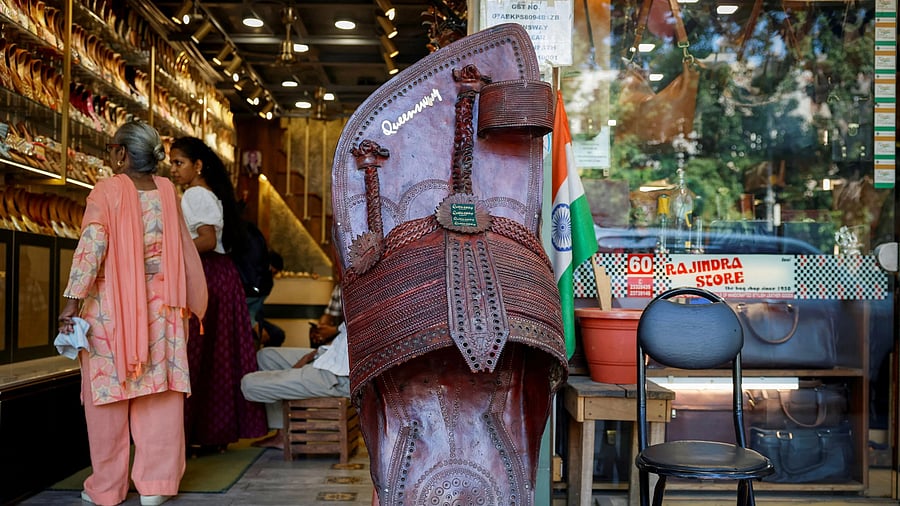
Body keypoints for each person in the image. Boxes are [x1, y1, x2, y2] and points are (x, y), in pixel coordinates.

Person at [57, 120, 208, 506]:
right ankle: (155, 486)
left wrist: (71, 303)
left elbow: (91, 250)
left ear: (121, 153)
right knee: (159, 398)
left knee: (106, 400)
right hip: (164, 308)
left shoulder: (107, 191)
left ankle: (107, 488)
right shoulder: (167, 190)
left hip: (111, 309)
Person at [169, 136, 267, 452]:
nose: (173, 170)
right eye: (172, 163)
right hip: (221, 275)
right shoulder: (209, 193)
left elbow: (207, 240)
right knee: (218, 356)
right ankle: (215, 433)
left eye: (178, 163)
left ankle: (201, 432)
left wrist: (172, 251)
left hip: (207, 274)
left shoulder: (195, 194)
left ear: (197, 166)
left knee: (199, 354)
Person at [240, 285, 346, 449]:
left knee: (248, 384)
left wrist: (298, 369)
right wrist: (316, 353)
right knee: (266, 356)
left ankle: (292, 429)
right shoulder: (355, 282)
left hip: (339, 373)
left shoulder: (378, 287)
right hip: (331, 354)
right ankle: (282, 435)